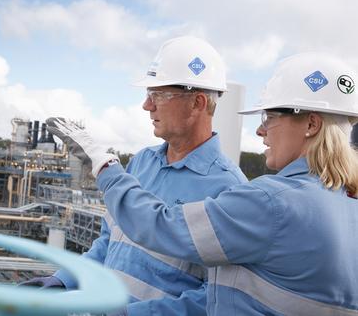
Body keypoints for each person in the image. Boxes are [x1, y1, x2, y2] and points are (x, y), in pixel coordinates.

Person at [49, 52, 358, 315]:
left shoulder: (259, 198)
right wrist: (65, 279)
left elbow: (163, 229)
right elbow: (109, 240)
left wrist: (104, 165)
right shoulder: (346, 203)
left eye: (269, 117)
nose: (261, 131)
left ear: (312, 124)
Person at [27, 36, 247, 316]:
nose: (147, 105)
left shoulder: (229, 189)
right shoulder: (142, 162)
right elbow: (109, 243)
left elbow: (216, 297)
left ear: (197, 103)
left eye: (158, 95)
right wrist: (64, 280)